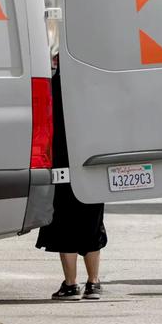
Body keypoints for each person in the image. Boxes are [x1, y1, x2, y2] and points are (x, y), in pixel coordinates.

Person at [36, 65, 107, 300]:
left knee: (64, 220)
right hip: (91, 159)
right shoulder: (95, 81)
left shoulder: (52, 83)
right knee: (92, 219)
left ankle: (70, 284)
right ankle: (94, 282)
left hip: (61, 161)